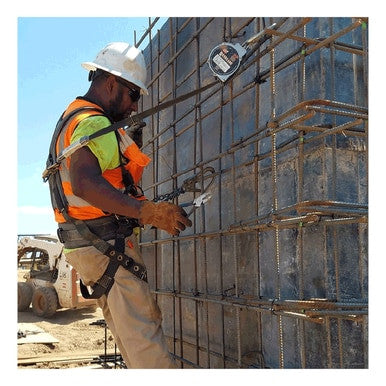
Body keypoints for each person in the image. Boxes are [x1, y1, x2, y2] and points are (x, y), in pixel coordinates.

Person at [45, 42, 192, 368]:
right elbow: (84, 183)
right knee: (147, 346)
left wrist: (127, 153)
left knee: (133, 346)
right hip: (106, 245)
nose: (134, 106)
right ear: (111, 82)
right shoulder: (95, 122)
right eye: (133, 95)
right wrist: (148, 212)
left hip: (87, 244)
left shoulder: (73, 116)